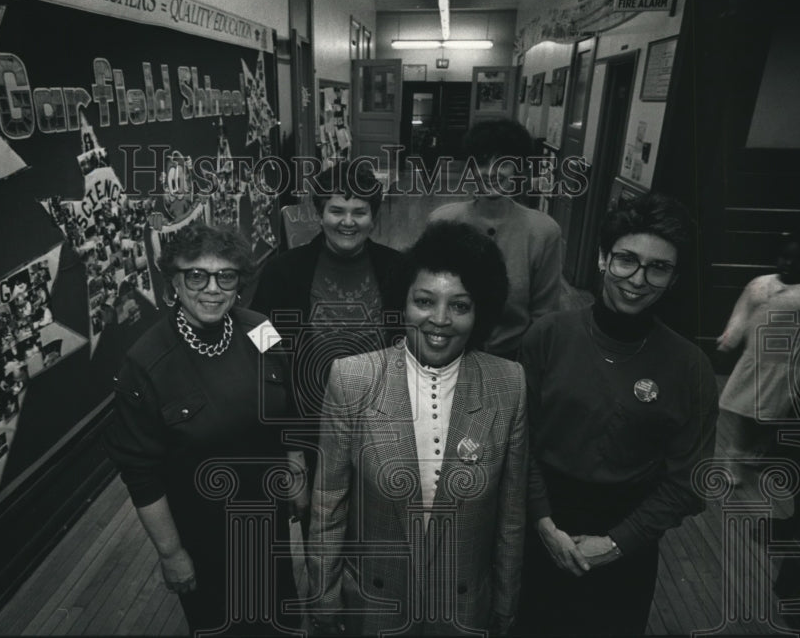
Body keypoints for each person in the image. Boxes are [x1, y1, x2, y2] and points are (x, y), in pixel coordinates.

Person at [307, 221, 527, 636]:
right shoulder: (353, 379)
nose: (439, 320)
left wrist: (505, 602)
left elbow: (511, 516)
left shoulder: (509, 383)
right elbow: (327, 504)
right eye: (424, 301)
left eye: (460, 306)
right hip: (375, 606)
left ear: (481, 311)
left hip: (462, 611)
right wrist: (324, 595)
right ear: (402, 303)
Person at [516, 193, 719, 635]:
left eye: (658, 268)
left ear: (674, 278)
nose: (638, 279)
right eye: (627, 259)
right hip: (540, 519)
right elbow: (519, 443)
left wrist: (614, 544)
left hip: (629, 536)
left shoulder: (690, 368)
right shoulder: (548, 336)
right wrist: (544, 523)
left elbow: (690, 483)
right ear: (603, 258)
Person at [104, 224, 300, 635]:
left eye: (225, 275)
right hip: (204, 533)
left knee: (280, 614)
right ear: (174, 281)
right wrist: (171, 553)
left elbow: (288, 403)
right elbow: (140, 473)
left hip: (268, 517)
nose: (212, 288)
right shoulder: (145, 364)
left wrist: (297, 469)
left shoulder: (261, 327)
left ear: (238, 282)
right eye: (197, 275)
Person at [249, 160, 402, 535]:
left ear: (373, 217)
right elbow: (262, 347)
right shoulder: (284, 272)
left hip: (384, 429)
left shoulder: (399, 269)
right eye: (336, 210)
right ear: (320, 214)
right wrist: (292, 451)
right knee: (322, 534)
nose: (347, 221)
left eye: (359, 211)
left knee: (381, 534)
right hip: (312, 429)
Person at [429, 118, 562, 360]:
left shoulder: (543, 231)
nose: (491, 172)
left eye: (503, 162)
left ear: (518, 168)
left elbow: (545, 315)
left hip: (515, 359)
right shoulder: (443, 221)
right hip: (448, 355)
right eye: (481, 162)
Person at [716, 235, 800, 485]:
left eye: (798, 260)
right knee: (745, 414)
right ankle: (734, 459)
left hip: (788, 369)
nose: (789, 264)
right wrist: (731, 337)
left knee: (773, 416)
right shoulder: (759, 284)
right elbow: (742, 313)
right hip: (755, 363)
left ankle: (759, 450)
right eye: (784, 257)